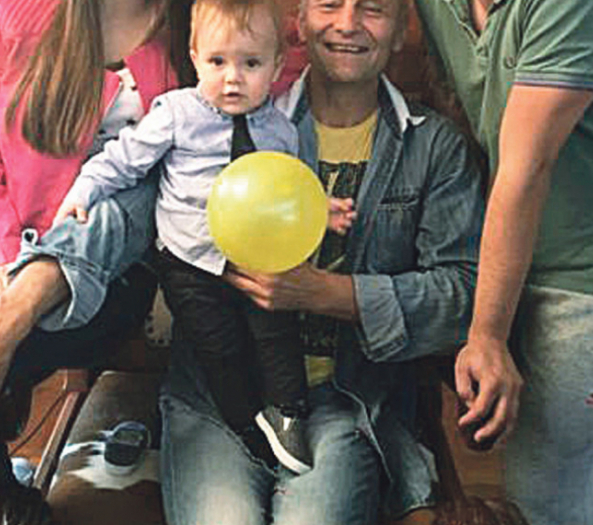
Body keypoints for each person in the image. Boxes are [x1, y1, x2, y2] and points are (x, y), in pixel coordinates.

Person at [158, 0, 487, 521]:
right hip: (218, 396)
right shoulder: (214, 119)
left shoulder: (434, 148)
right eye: (330, 4)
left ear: (401, 31)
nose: (348, 23)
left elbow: (462, 295)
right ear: (301, 22)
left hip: (345, 401)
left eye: (373, 9)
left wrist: (328, 294)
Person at [0, 0, 198, 516]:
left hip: (114, 273)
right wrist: (1, 263)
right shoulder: (11, 9)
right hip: (6, 247)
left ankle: (5, 474)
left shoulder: (200, 19)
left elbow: (272, 58)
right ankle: (11, 495)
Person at [414, 0, 593, 523]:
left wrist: (487, 335)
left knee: (544, 499)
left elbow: (527, 165)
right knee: (583, 480)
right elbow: (457, 103)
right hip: (527, 250)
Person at [55, 0, 355, 474]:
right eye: (217, 61)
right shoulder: (176, 113)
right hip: (191, 262)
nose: (232, 79)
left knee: (277, 332)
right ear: (195, 58)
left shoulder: (281, 129)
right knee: (219, 348)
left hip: (258, 255)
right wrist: (85, 189)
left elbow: (289, 189)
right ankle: (246, 427)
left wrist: (320, 209)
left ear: (277, 66)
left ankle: (288, 413)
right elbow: (123, 158)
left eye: (251, 64)